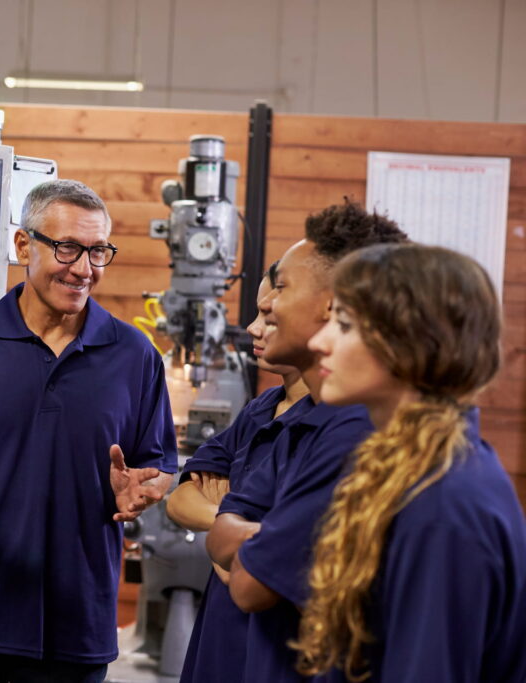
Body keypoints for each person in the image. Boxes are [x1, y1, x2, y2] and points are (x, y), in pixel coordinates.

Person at [0, 179, 178, 682]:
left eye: (98, 251)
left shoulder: (134, 355)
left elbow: (154, 466)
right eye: (68, 247)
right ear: (24, 245)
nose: (84, 268)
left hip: (77, 628)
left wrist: (147, 489)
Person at [292, 244, 526, 682]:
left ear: (410, 342)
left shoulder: (442, 506)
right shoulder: (413, 465)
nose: (317, 342)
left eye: (343, 325)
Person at [204, 200, 407, 681]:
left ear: (334, 303)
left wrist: (252, 537)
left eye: (281, 287)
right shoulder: (300, 417)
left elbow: (250, 583)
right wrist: (264, 535)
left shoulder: (357, 432)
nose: (267, 305)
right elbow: (220, 534)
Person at [167, 262, 311, 683]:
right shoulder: (260, 410)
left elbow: (285, 555)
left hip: (274, 645)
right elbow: (180, 500)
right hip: (220, 633)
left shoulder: (330, 426)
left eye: (269, 317)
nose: (251, 328)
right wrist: (229, 530)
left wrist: (225, 527)